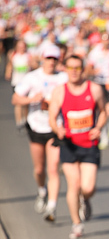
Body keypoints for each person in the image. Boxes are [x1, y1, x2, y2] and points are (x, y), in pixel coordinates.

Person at [48, 55, 107, 239]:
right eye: (70, 67)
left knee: (88, 187)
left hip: (89, 144)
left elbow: (103, 112)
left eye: (77, 68)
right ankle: (77, 224)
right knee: (73, 184)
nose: (74, 71)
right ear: (65, 69)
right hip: (69, 145)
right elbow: (52, 117)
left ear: (83, 70)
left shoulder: (94, 89)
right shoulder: (59, 92)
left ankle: (85, 199)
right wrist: (58, 129)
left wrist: (98, 128)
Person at [12, 44, 68, 220]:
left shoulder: (63, 78)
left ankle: (51, 207)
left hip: (55, 128)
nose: (51, 62)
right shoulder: (32, 77)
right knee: (39, 169)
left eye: (54, 59)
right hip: (36, 126)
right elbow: (15, 98)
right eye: (48, 58)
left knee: (53, 169)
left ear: (58, 60)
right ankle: (42, 191)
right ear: (42, 58)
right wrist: (31, 99)